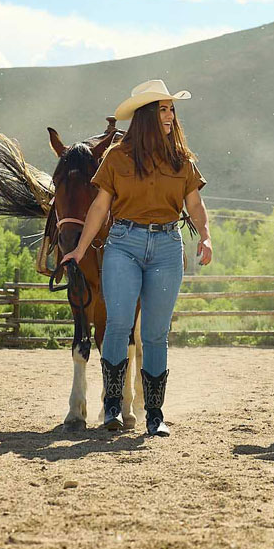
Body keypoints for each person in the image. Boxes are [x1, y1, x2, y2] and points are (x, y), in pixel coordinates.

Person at [66, 80, 212, 437]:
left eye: (171, 109)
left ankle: (154, 414)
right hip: (123, 244)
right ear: (146, 115)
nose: (169, 115)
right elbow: (100, 206)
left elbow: (194, 204)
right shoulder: (117, 157)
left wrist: (206, 236)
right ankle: (113, 408)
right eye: (162, 109)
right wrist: (81, 249)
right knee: (117, 325)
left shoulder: (182, 159)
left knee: (155, 334)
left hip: (166, 247)